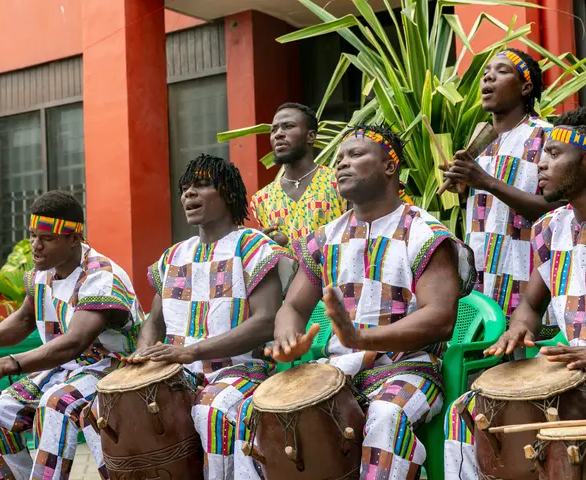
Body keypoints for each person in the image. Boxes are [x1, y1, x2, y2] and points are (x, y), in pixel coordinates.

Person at [246, 125, 475, 479]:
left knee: (386, 416)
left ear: (389, 166)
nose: (341, 164)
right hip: (338, 374)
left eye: (355, 155)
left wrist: (362, 338)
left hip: (409, 369)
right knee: (257, 416)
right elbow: (292, 308)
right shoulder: (325, 238)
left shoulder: (425, 232)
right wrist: (288, 340)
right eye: (339, 158)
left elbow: (441, 317)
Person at [127, 154, 294, 480]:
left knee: (212, 410)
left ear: (228, 194)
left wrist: (192, 351)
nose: (188, 194)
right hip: (178, 372)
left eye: (201, 186)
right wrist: (144, 352)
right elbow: (154, 321)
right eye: (185, 188)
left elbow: (266, 319)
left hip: (239, 370)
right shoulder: (174, 255)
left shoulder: (252, 246)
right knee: (117, 408)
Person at [0, 191, 143, 480]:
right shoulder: (40, 275)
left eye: (47, 238)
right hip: (66, 370)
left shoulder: (100, 276)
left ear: (74, 238)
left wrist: (9, 363)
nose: (36, 245)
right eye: (33, 235)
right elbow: (24, 319)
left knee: (56, 405)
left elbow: (74, 343)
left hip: (112, 370)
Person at [444, 107, 586, 478]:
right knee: (468, 411)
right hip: (572, 368)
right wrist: (519, 327)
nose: (542, 164)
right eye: (543, 154)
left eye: (555, 154)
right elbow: (530, 304)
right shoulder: (552, 229)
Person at [443, 48, 564, 322]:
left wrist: (485, 182)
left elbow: (558, 211)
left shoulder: (546, 137)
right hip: (486, 281)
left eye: (501, 71)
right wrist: (462, 189)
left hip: (532, 281)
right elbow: (491, 212)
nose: (488, 78)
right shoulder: (481, 143)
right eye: (486, 73)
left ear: (526, 87)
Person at [249, 103, 347, 248]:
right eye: (274, 130)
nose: (278, 134)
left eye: (288, 126)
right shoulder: (261, 200)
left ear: (310, 136)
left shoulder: (339, 182)